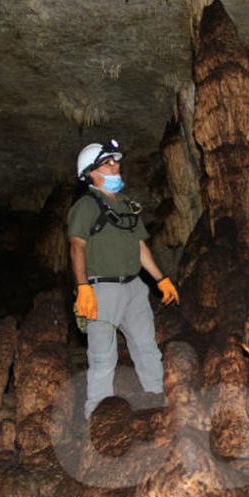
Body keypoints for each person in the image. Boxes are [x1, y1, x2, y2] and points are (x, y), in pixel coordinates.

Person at [67, 139, 179, 419]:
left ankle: (158, 402)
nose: (117, 166)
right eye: (109, 163)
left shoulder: (128, 205)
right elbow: (77, 246)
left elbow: (140, 247)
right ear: (93, 172)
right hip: (101, 290)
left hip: (134, 288)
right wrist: (83, 288)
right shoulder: (86, 206)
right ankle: (98, 417)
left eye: (116, 161)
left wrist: (160, 279)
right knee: (104, 358)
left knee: (147, 348)